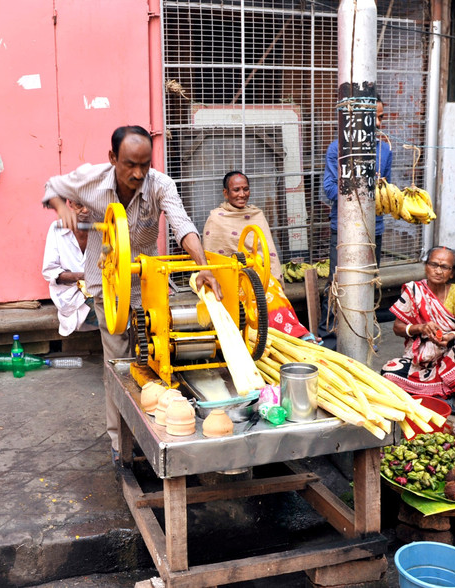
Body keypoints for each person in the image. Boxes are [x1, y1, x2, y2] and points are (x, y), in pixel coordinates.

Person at [43, 125, 222, 464]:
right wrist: (61, 208)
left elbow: (181, 224)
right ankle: (119, 442)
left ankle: (161, 431)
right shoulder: (92, 181)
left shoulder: (160, 184)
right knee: (118, 365)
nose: (138, 173)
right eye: (129, 164)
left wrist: (203, 266)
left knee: (156, 357)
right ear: (113, 159)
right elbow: (52, 187)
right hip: (107, 289)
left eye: (145, 164)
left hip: (147, 286)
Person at [202, 171, 319, 342]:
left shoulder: (256, 215)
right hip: (232, 279)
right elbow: (212, 258)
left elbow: (268, 252)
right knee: (257, 297)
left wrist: (269, 275)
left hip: (259, 274)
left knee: (273, 290)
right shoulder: (216, 219)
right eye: (236, 190)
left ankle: (295, 334)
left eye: (245, 189)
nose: (242, 194)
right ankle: (275, 338)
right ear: (226, 193)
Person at [318, 97, 393, 349]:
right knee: (337, 282)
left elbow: (387, 194)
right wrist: (359, 183)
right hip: (344, 229)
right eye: (376, 118)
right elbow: (329, 189)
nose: (380, 123)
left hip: (375, 228)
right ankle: (328, 339)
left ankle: (363, 336)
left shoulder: (385, 150)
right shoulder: (337, 148)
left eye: (382, 117)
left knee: (368, 282)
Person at [380, 246, 455, 406]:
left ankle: (453, 381)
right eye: (434, 265)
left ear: (451, 273)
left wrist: (451, 337)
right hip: (421, 358)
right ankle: (451, 383)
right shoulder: (413, 290)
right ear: (426, 267)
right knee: (388, 372)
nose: (438, 271)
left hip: (450, 354)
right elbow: (398, 328)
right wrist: (420, 328)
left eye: (444, 267)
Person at [42, 200, 99, 336]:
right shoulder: (57, 228)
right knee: (109, 314)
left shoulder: (104, 228)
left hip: (101, 291)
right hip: (70, 294)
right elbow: (50, 272)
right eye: (79, 205)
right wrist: (82, 276)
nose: (85, 210)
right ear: (71, 204)